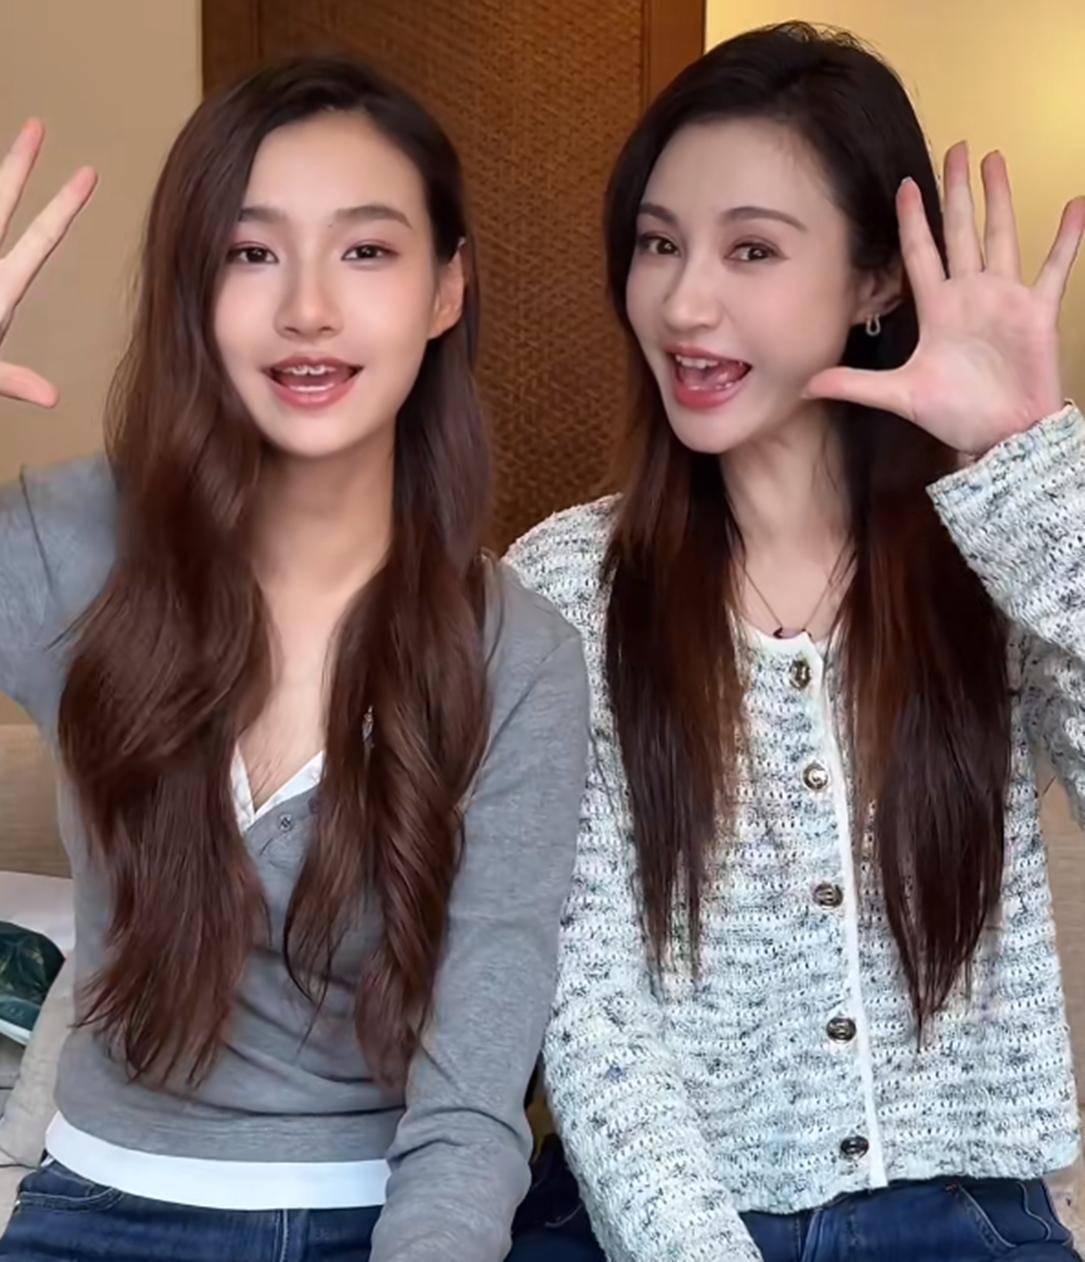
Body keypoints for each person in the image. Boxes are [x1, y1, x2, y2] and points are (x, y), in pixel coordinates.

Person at [506, 22, 1085, 1262]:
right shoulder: (563, 583)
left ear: (874, 281)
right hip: (639, 1220)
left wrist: (1029, 476)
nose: (682, 301)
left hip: (957, 1210)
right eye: (657, 243)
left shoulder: (993, 542)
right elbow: (586, 1004)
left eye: (751, 249)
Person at [0, 54, 588, 1262]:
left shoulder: (518, 653)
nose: (307, 308)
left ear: (445, 288)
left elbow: (470, 1102)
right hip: (93, 1211)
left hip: (384, 1218)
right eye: (250, 252)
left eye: (365, 250)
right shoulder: (69, 546)